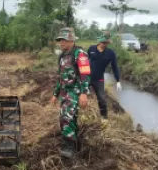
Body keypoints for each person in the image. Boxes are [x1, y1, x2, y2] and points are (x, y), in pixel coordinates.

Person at [50, 27, 91, 158]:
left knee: (66, 117)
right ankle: (75, 145)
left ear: (71, 40)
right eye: (60, 40)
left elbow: (85, 73)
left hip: (75, 91)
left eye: (64, 40)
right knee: (67, 118)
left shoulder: (79, 53)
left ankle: (69, 147)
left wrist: (84, 93)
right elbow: (60, 77)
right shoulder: (62, 56)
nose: (61, 42)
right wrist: (55, 94)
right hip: (64, 92)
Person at [87, 31, 121, 120]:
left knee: (102, 98)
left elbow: (115, 67)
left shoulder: (111, 53)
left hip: (99, 79)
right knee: (80, 94)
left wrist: (118, 81)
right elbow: (85, 62)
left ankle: (104, 119)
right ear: (99, 41)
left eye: (105, 42)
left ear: (108, 43)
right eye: (102, 42)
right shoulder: (91, 49)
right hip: (87, 77)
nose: (103, 44)